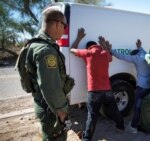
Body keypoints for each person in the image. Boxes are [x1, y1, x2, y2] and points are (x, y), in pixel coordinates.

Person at [70, 28, 124, 141]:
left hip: (94, 92)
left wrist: (79, 37)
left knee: (92, 115)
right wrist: (104, 45)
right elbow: (110, 58)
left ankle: (87, 139)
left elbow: (72, 50)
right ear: (97, 46)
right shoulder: (105, 54)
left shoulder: (87, 53)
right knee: (114, 109)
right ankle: (120, 127)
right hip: (107, 90)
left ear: (88, 47)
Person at [26, 8, 70, 141]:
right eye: (64, 26)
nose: (64, 30)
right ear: (57, 24)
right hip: (52, 111)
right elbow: (50, 86)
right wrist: (62, 112)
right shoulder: (46, 51)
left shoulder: (36, 44)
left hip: (45, 106)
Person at [101, 38, 150, 133]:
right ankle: (149, 122)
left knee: (137, 107)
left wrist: (110, 50)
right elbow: (141, 50)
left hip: (142, 87)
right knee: (146, 106)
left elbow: (122, 56)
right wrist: (140, 46)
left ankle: (133, 127)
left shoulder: (136, 58)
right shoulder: (145, 54)